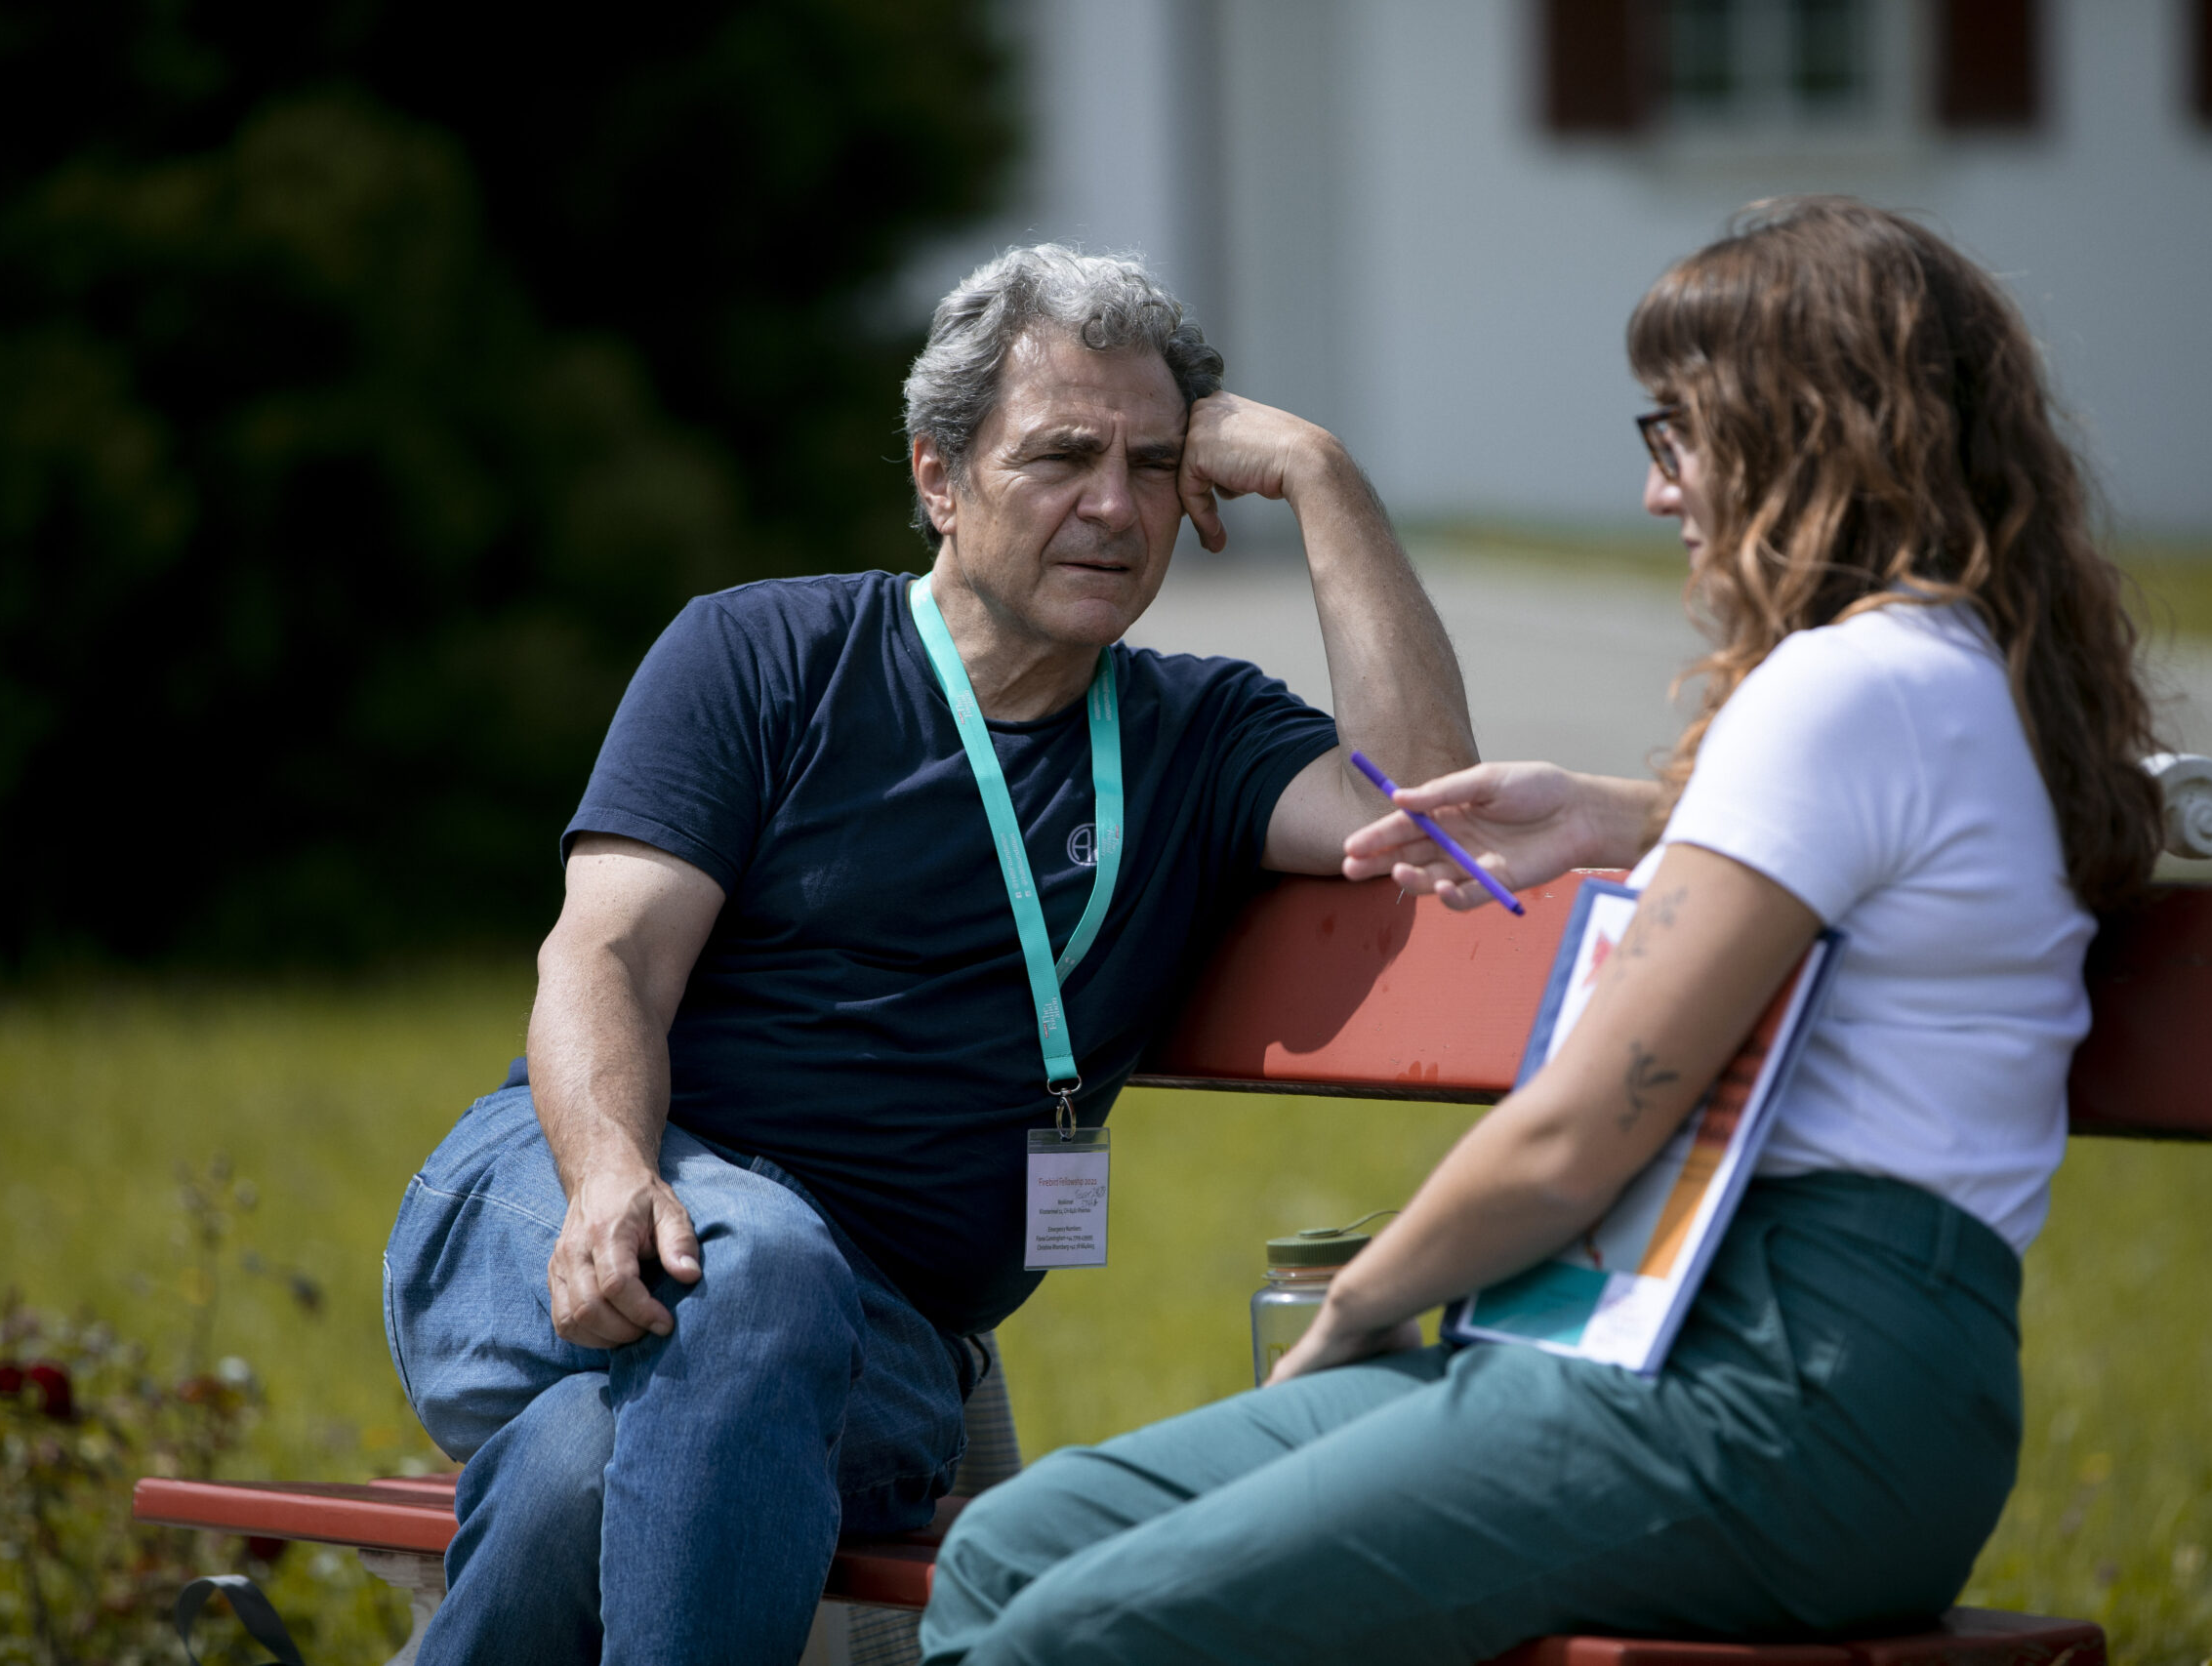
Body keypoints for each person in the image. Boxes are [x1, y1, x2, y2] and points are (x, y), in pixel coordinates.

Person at [920, 197, 2165, 1665]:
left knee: (1077, 1635)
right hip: (1689, 1349)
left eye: (1678, 432)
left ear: (1810, 431)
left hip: (1782, 1391)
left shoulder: (1846, 689)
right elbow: (1873, 855)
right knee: (1014, 1541)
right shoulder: (1936, 673)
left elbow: (1578, 1134)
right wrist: (1635, 815)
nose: (1659, 491)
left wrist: (1364, 1308)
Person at [379, 245, 1476, 1665]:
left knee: (586, 1472)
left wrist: (1322, 475)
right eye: (1062, 455)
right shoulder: (763, 654)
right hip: (563, 1205)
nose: (1112, 505)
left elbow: (1436, 824)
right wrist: (609, 1177)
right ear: (939, 478)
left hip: (880, 1345)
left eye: (1154, 464)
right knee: (755, 1268)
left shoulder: (1199, 742)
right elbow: (605, 960)